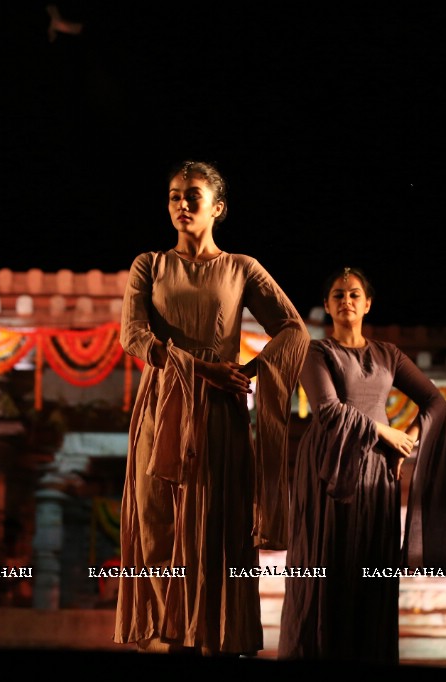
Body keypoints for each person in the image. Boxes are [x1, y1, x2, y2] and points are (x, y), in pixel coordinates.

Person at [114, 159, 309, 656]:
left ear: (217, 208)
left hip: (220, 413)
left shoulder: (242, 268)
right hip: (161, 409)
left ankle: (215, 637)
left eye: (193, 195)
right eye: (175, 195)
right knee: (158, 522)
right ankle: (166, 635)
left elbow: (293, 329)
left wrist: (253, 370)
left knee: (216, 524)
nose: (181, 203)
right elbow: (134, 337)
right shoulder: (149, 265)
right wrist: (205, 370)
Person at [277, 266, 446, 665]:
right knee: (326, 567)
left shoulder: (389, 353)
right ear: (326, 305)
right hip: (329, 468)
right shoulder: (315, 351)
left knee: (370, 569)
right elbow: (329, 410)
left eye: (354, 294)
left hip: (377, 475)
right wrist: (386, 433)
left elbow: (436, 403)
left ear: (368, 303)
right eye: (337, 294)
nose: (346, 301)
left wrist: (406, 438)